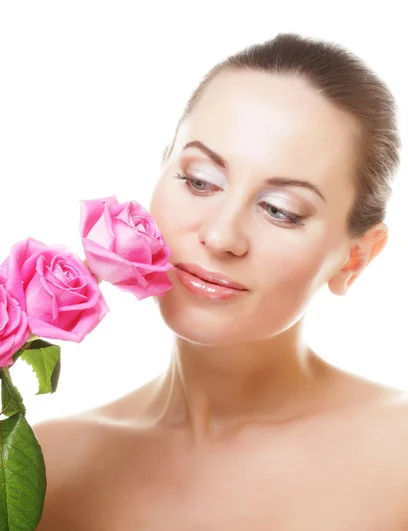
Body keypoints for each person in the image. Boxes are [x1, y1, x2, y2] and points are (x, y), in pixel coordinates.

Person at [34, 33, 408, 530]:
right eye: (200, 181)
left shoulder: (396, 455)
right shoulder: (46, 466)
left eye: (281, 211)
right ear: (163, 166)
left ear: (355, 258)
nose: (220, 234)